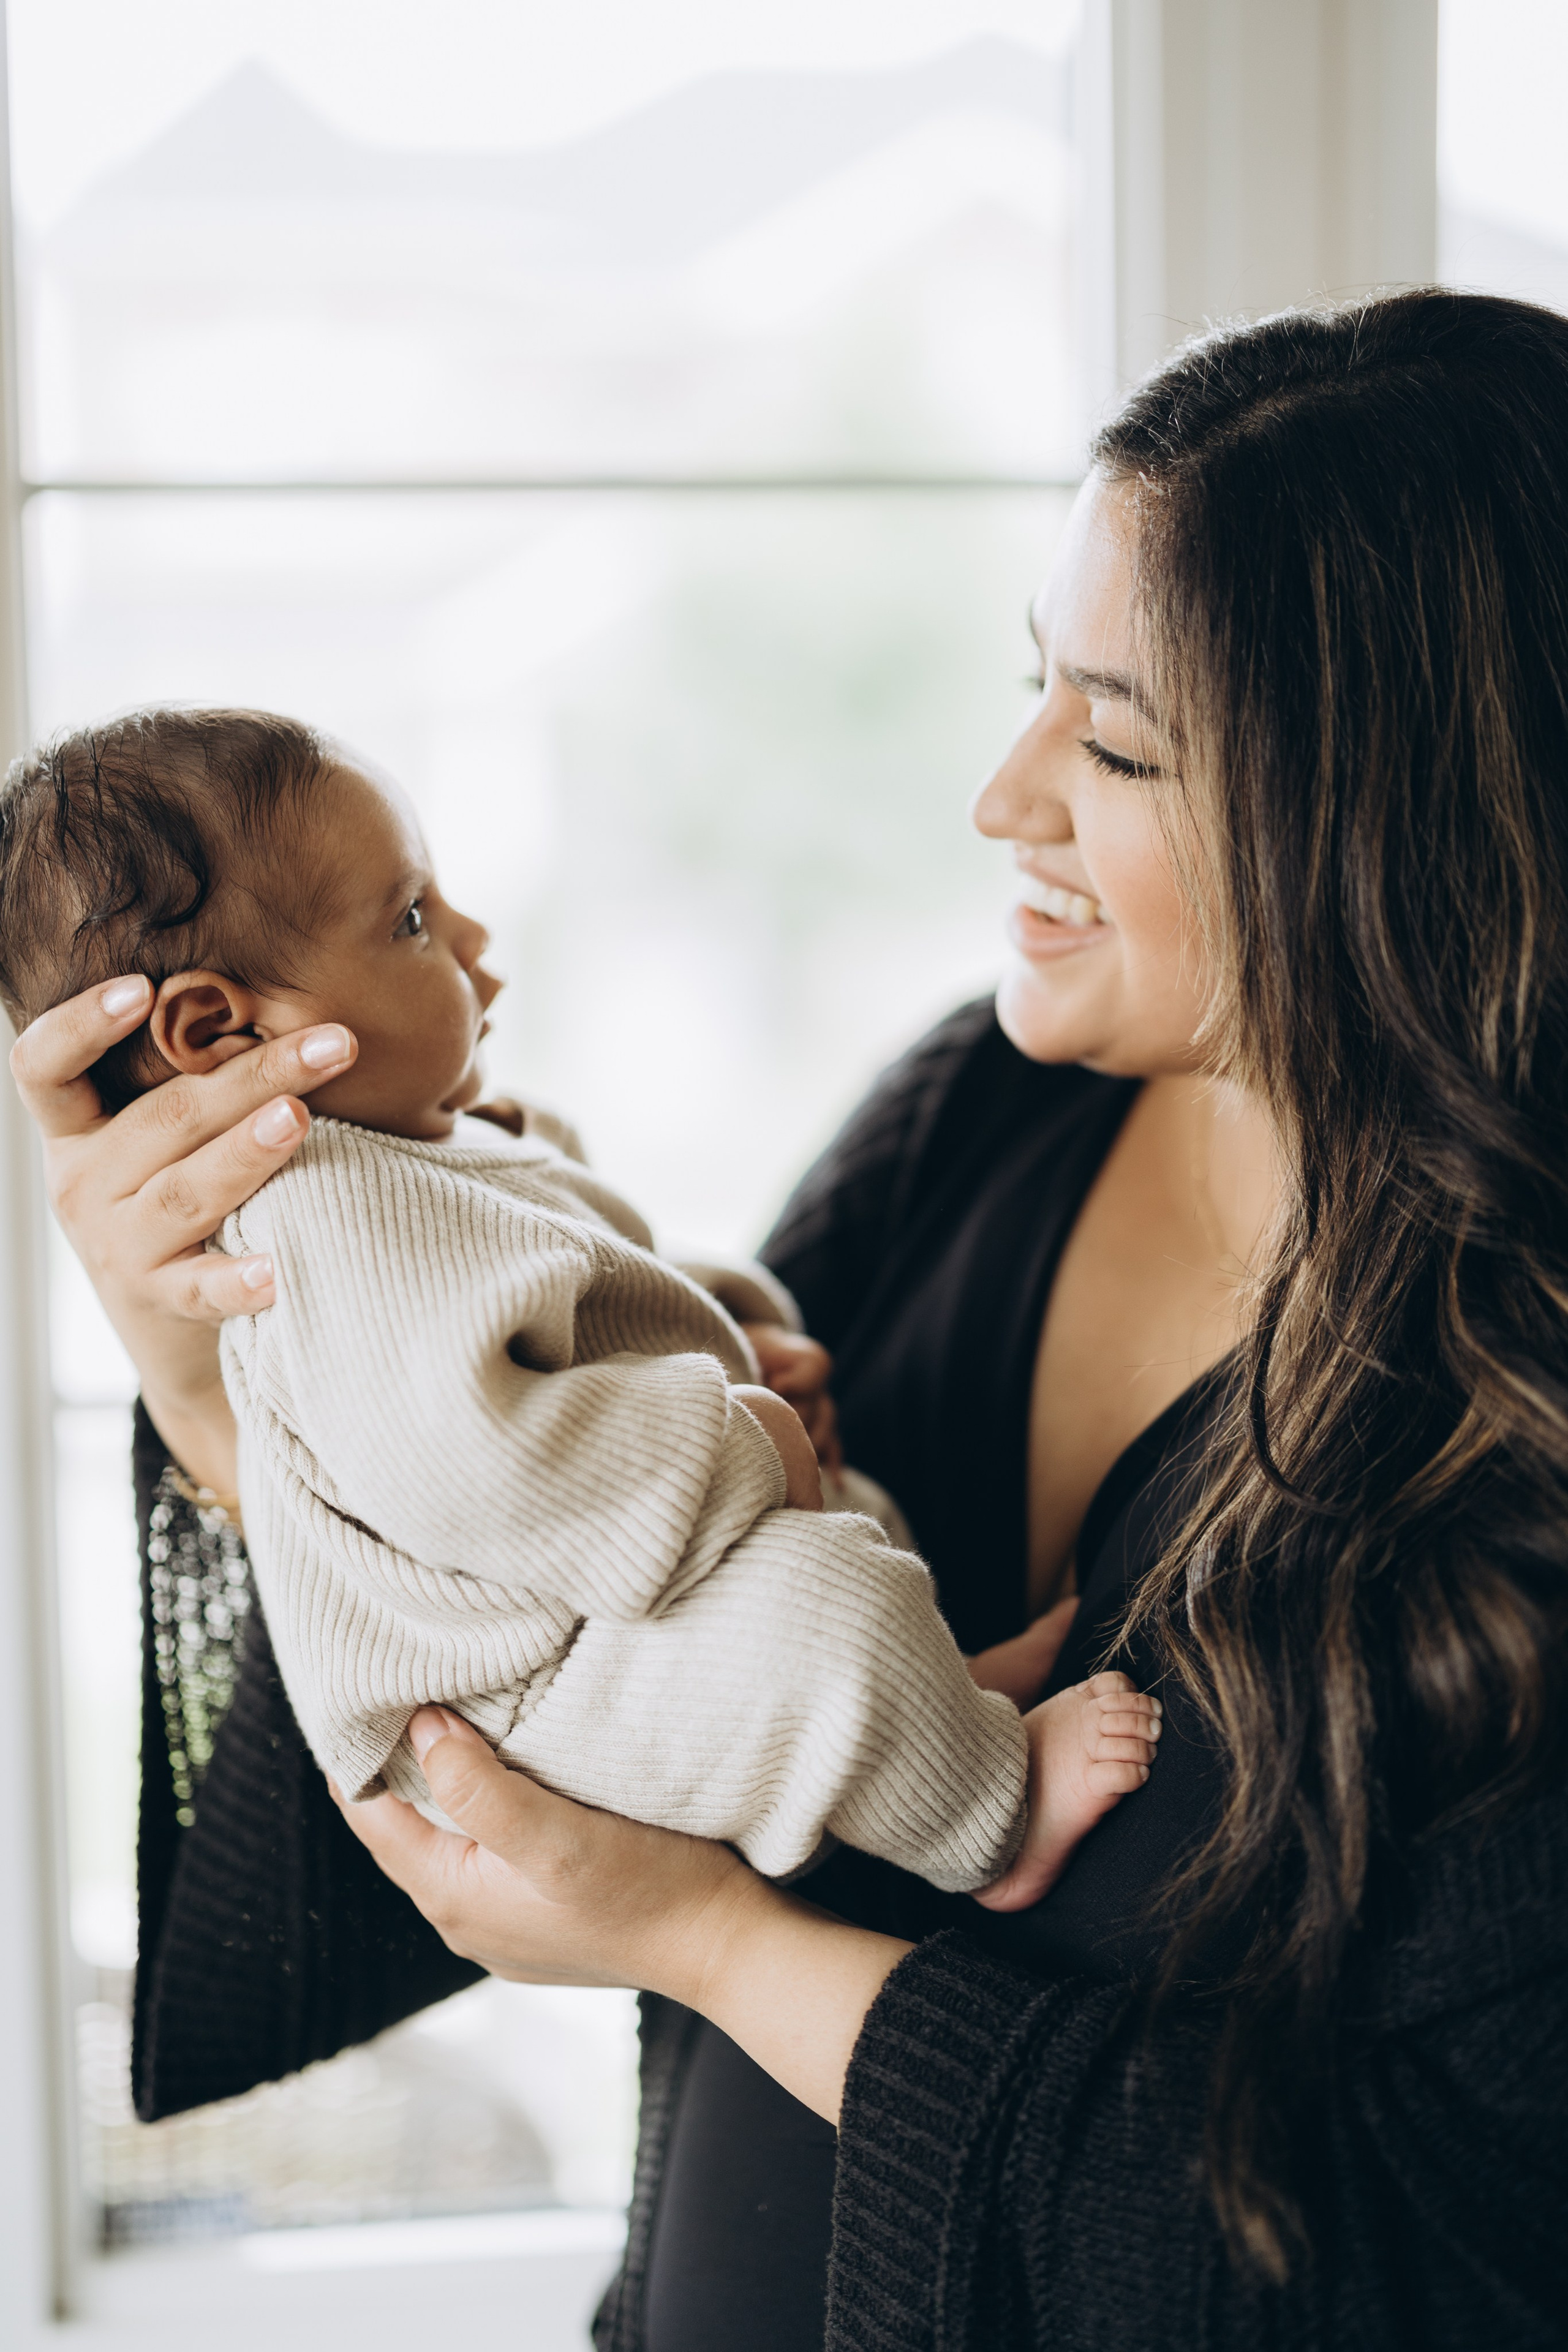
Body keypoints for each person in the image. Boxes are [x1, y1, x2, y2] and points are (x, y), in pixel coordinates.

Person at [15, 288, 1568, 2349]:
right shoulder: (979, 1127)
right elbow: (523, 1717)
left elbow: (1414, 2275)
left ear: (1398, 825)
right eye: (1036, 685)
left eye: (1113, 738)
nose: (1003, 794)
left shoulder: (1516, 1433)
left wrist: (726, 1950)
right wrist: (234, 1382)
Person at [1, 709, 1158, 1894]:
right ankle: (993, 1827)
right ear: (220, 1029)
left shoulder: (418, 1151)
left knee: (836, 1558)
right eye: (410, 919)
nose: (471, 935)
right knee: (822, 1621)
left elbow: (598, 1275)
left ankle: (949, 1702)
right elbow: (471, 1464)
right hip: (532, 1679)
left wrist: (733, 1325)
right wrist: (729, 1429)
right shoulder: (323, 1216)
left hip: (582, 1612)